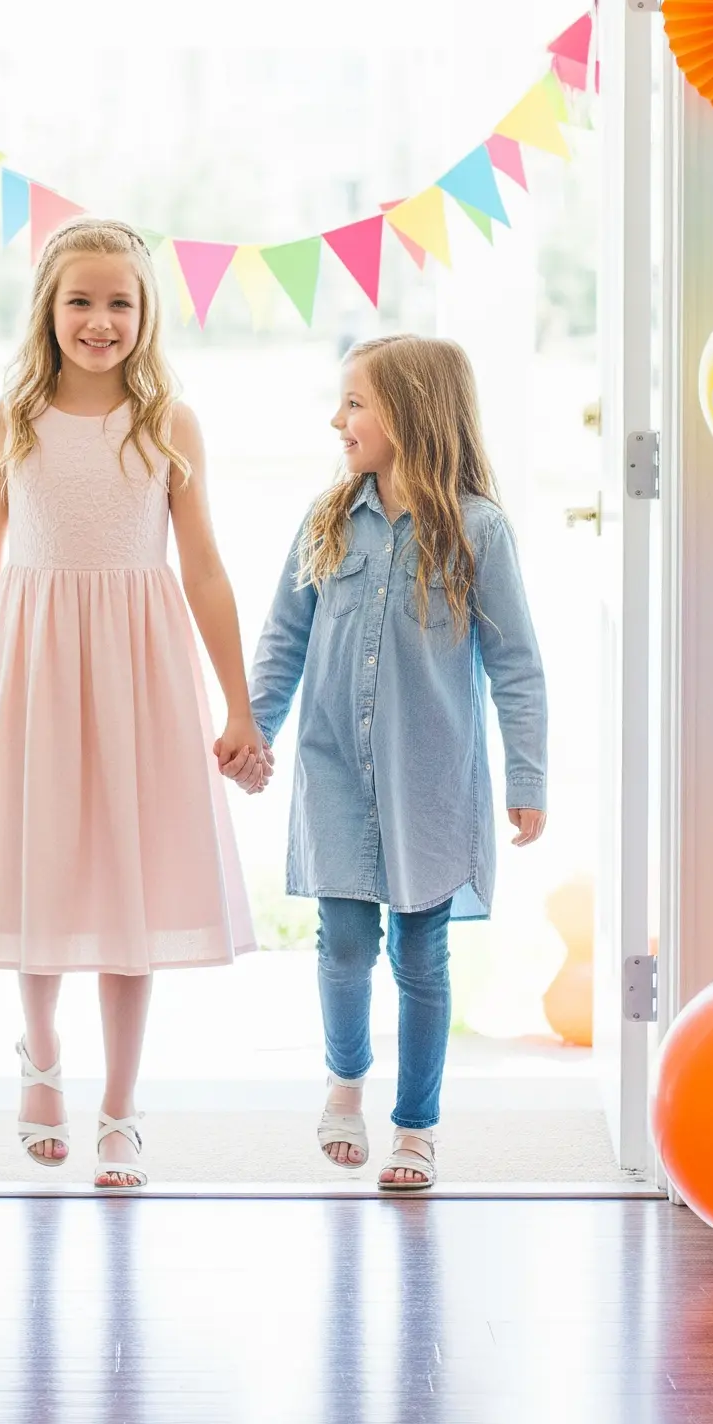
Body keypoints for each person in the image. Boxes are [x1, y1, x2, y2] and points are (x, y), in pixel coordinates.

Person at [0, 219, 270, 1189]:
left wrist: (237, 704)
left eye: (121, 301)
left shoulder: (171, 421)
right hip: (34, 659)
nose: (100, 319)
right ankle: (39, 1059)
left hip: (141, 662)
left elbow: (202, 566)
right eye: (81, 299)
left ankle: (122, 1105)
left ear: (146, 313)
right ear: (48, 307)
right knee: (45, 862)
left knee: (130, 878)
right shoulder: (11, 418)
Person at [249, 335, 546, 1194]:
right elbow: (283, 639)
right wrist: (253, 730)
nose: (338, 420)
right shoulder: (327, 519)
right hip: (334, 770)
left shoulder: (479, 530)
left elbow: (517, 665)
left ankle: (415, 1126)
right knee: (343, 941)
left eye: (355, 404)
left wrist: (527, 779)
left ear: (410, 414)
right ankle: (346, 1080)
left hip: (431, 781)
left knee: (423, 953)